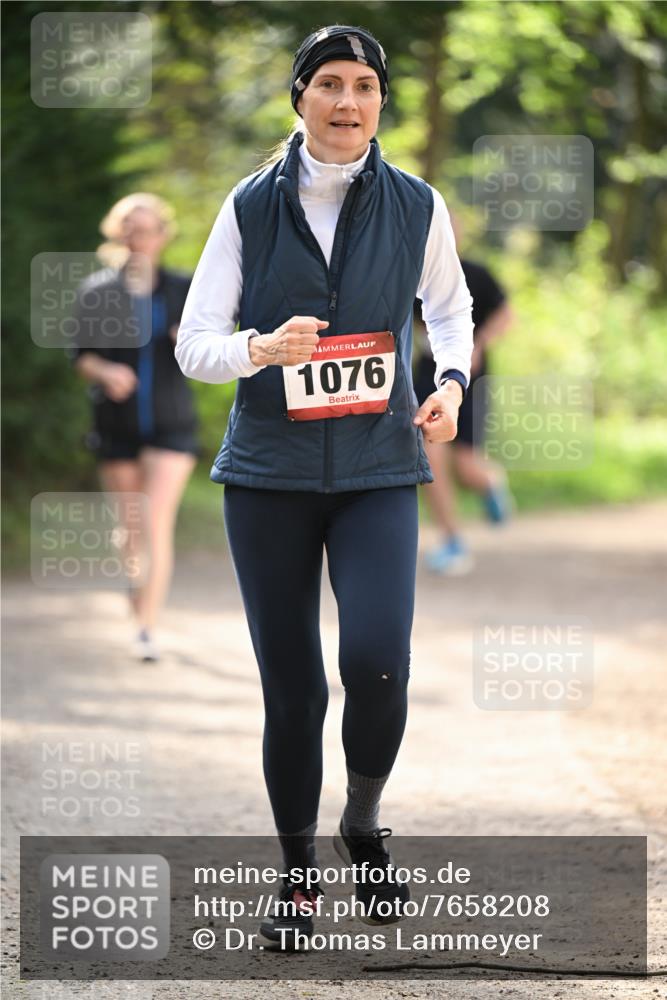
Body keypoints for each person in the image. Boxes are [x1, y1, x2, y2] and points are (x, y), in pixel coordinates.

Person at [176, 25, 473, 946]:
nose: (348, 102)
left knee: (378, 663)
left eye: (365, 87)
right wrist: (260, 348)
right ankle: (297, 875)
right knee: (294, 688)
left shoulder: (417, 203)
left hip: (378, 469)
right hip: (268, 477)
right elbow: (194, 343)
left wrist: (450, 384)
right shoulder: (249, 204)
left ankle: (362, 821)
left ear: (381, 102)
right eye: (330, 84)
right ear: (299, 96)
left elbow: (449, 310)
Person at [71, 193, 199, 661]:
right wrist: (106, 371)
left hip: (172, 425)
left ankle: (146, 627)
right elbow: (80, 356)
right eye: (129, 230)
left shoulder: (184, 289)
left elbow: (212, 348)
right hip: (116, 426)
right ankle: (136, 597)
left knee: (153, 521)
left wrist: (190, 340)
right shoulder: (97, 291)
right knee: (129, 529)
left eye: (146, 231)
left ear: (163, 236)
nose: (137, 239)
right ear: (117, 235)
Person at [413, 220, 514, 574]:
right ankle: (452, 540)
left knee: (467, 467)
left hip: (472, 379)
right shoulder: (413, 274)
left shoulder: (477, 274)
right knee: (431, 459)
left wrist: (479, 344)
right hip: (427, 377)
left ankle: (491, 482)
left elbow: (506, 315)